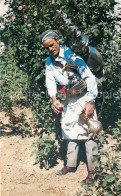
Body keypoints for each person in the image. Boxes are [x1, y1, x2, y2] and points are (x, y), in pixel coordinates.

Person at [40, 30, 99, 184]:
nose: (50, 49)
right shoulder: (49, 61)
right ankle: (71, 165)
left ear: (58, 40)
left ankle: (93, 172)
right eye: (47, 47)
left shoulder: (71, 55)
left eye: (52, 45)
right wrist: (54, 99)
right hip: (68, 97)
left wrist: (91, 101)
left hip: (84, 95)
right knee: (69, 130)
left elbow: (89, 77)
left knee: (89, 132)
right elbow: (50, 81)